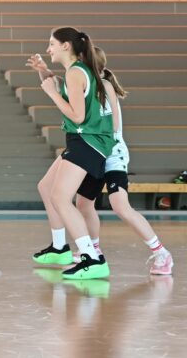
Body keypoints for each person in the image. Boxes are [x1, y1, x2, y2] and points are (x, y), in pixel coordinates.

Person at [33, 47, 173, 276]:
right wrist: (43, 70)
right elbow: (58, 84)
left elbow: (113, 127)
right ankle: (93, 250)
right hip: (95, 150)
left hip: (112, 152)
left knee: (120, 205)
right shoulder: (84, 84)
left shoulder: (104, 87)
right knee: (83, 204)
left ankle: (161, 253)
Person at [30, 28, 115, 280]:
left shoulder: (76, 73)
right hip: (84, 140)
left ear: (66, 45)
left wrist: (52, 94)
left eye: (52, 44)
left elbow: (77, 116)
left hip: (89, 141)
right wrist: (44, 71)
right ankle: (59, 248)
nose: (48, 49)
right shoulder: (77, 71)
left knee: (60, 197)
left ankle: (92, 258)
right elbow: (69, 92)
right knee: (46, 187)